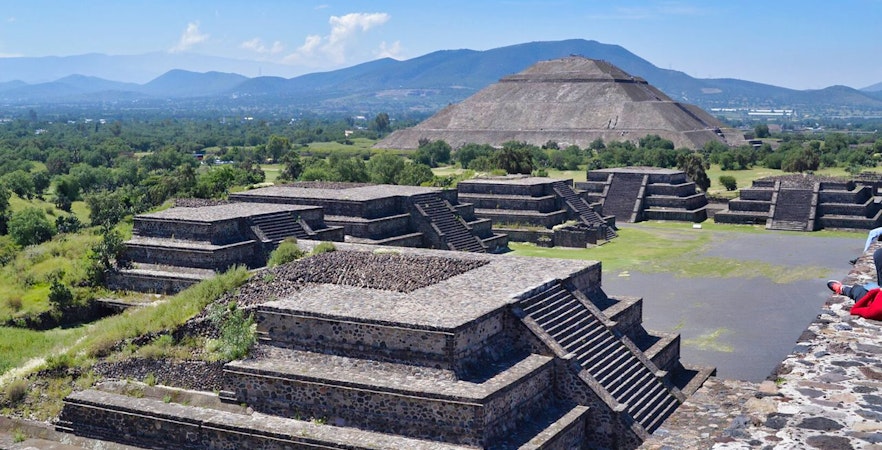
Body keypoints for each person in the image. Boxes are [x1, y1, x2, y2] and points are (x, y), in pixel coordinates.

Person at [827, 247, 882, 320]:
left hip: (875, 299)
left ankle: (843, 289)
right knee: (880, 254)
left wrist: (873, 292)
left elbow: (856, 310)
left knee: (859, 291)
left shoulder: (878, 310)